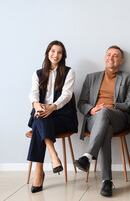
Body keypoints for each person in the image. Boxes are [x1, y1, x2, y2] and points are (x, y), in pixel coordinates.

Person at [74, 45, 130, 197]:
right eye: (109, 55)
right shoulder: (91, 78)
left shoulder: (128, 78)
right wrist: (91, 109)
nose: (111, 58)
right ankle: (106, 181)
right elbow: (81, 103)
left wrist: (113, 105)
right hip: (94, 119)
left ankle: (87, 156)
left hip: (118, 117)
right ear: (104, 58)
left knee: (106, 112)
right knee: (105, 129)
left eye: (115, 56)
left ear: (120, 61)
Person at [27, 40, 78, 193]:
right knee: (41, 116)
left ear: (63, 55)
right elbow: (33, 93)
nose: (56, 54)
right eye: (53, 51)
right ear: (48, 52)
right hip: (42, 114)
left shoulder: (69, 72)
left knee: (39, 122)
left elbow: (67, 95)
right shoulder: (37, 74)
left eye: (59, 52)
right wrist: (37, 105)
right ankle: (53, 154)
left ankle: (39, 172)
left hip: (62, 116)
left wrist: (52, 107)